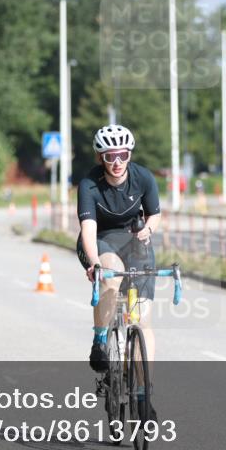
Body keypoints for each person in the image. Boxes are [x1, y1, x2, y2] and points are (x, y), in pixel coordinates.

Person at [77, 125, 161, 377]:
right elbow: (88, 230)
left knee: (142, 320)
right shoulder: (89, 185)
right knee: (111, 275)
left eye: (122, 155)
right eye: (110, 156)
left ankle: (144, 391)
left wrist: (148, 229)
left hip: (134, 241)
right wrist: (94, 264)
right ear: (100, 157)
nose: (116, 162)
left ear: (129, 155)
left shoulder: (143, 177)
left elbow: (154, 214)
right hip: (100, 241)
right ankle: (100, 341)